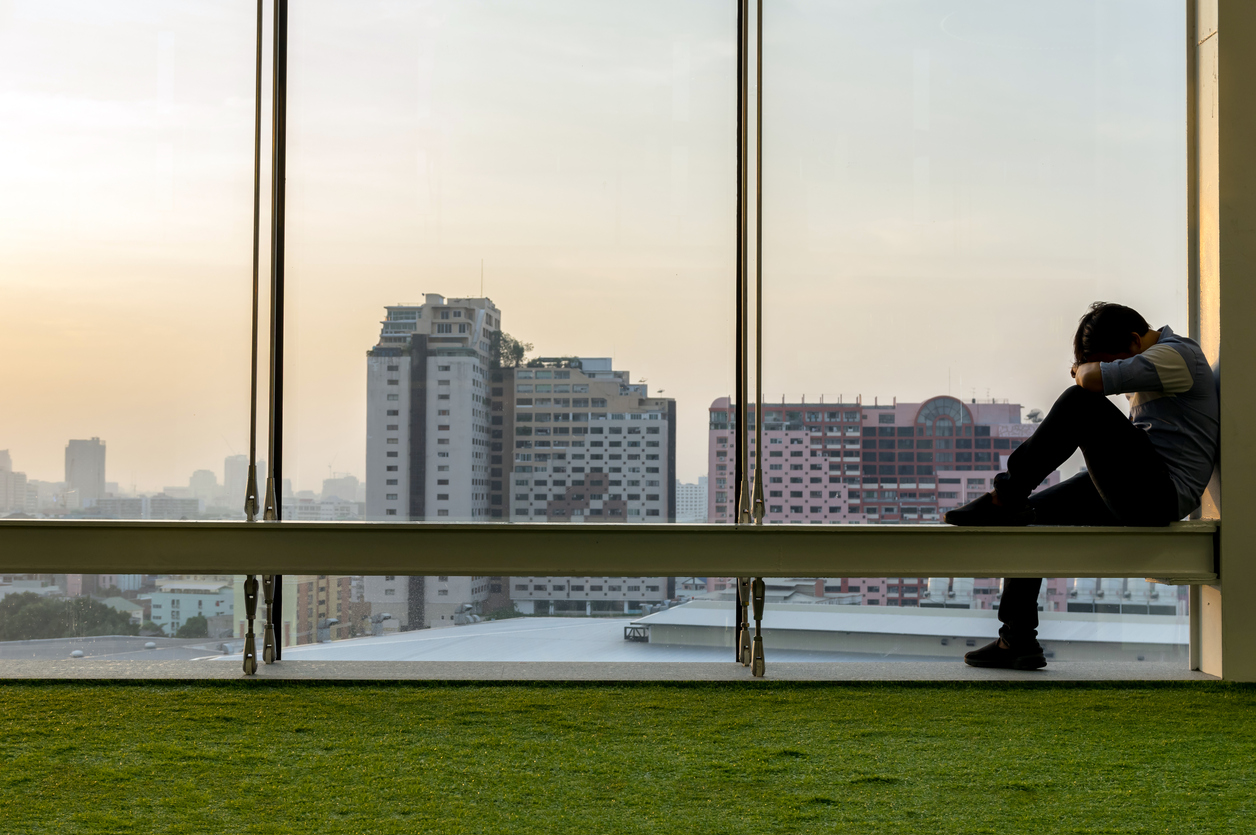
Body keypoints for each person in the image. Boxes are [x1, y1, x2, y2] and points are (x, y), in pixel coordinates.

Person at [945, 302, 1219, 670]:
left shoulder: (1178, 356)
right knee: (1028, 518)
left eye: (1111, 362)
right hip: (1142, 482)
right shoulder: (1155, 360)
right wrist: (1092, 369)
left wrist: (1087, 371)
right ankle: (1017, 639)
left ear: (1135, 341)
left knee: (1081, 400)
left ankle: (1005, 494)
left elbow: (1090, 381)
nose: (1110, 371)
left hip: (1160, 493)